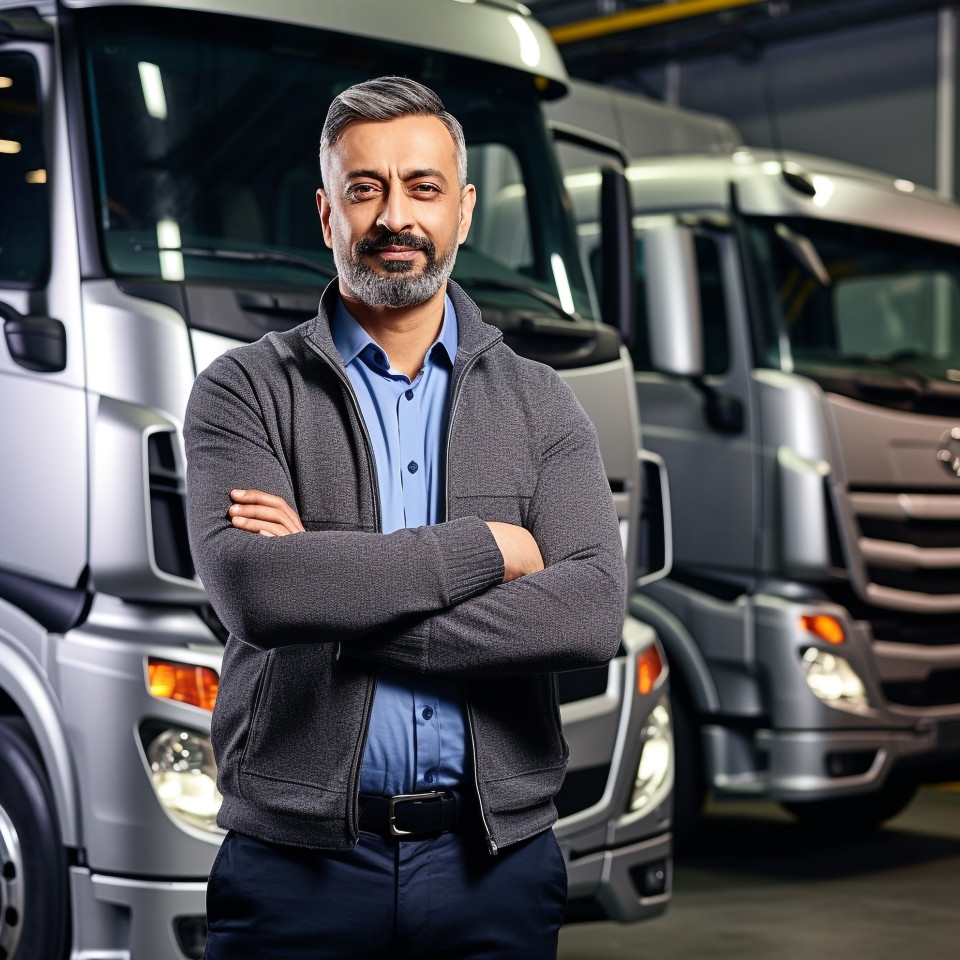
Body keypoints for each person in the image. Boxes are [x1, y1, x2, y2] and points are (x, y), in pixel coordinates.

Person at [184, 76, 626, 960]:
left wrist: (334, 592)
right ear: (326, 214)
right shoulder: (242, 390)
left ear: (463, 212)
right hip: (294, 866)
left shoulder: (544, 404)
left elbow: (589, 612)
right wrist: (491, 549)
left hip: (493, 866)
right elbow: (260, 592)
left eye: (422, 188)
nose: (396, 216)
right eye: (365, 188)